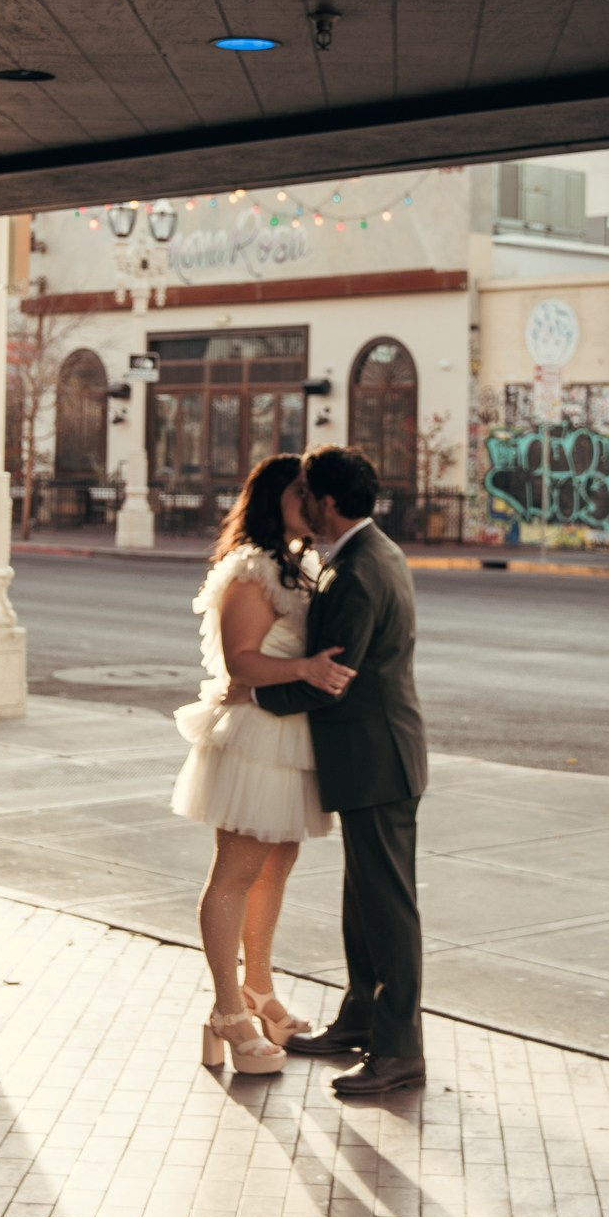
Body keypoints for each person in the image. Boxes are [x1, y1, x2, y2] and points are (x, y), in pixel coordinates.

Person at [255, 446, 430, 1103]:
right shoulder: (371, 552)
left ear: (325, 502)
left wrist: (256, 695)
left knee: (388, 909)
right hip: (372, 757)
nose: (300, 504)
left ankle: (399, 1052)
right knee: (364, 905)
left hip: (377, 757)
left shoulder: (357, 571)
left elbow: (332, 677)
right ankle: (360, 1022)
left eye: (305, 494)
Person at [171, 453, 356, 1075]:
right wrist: (306, 668)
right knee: (236, 870)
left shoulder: (300, 565)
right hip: (255, 739)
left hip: (290, 739)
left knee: (276, 867)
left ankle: (260, 991)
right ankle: (227, 1011)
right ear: (275, 498)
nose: (312, 502)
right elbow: (241, 662)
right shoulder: (250, 571)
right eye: (300, 493)